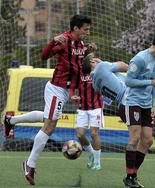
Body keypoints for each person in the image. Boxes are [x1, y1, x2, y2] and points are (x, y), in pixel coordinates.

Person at [21, 14, 93, 185]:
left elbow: (78, 67)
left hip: (64, 90)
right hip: (56, 89)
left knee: (48, 120)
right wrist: (53, 41)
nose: (88, 32)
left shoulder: (80, 44)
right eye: (86, 29)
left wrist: (88, 52)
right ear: (75, 28)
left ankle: (12, 120)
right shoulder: (64, 40)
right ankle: (29, 164)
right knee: (50, 126)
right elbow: (44, 56)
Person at [123, 30, 155, 188]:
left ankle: (132, 175)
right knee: (135, 137)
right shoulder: (139, 59)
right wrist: (148, 83)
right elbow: (128, 81)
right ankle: (130, 176)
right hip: (133, 102)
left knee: (148, 140)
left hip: (146, 105)